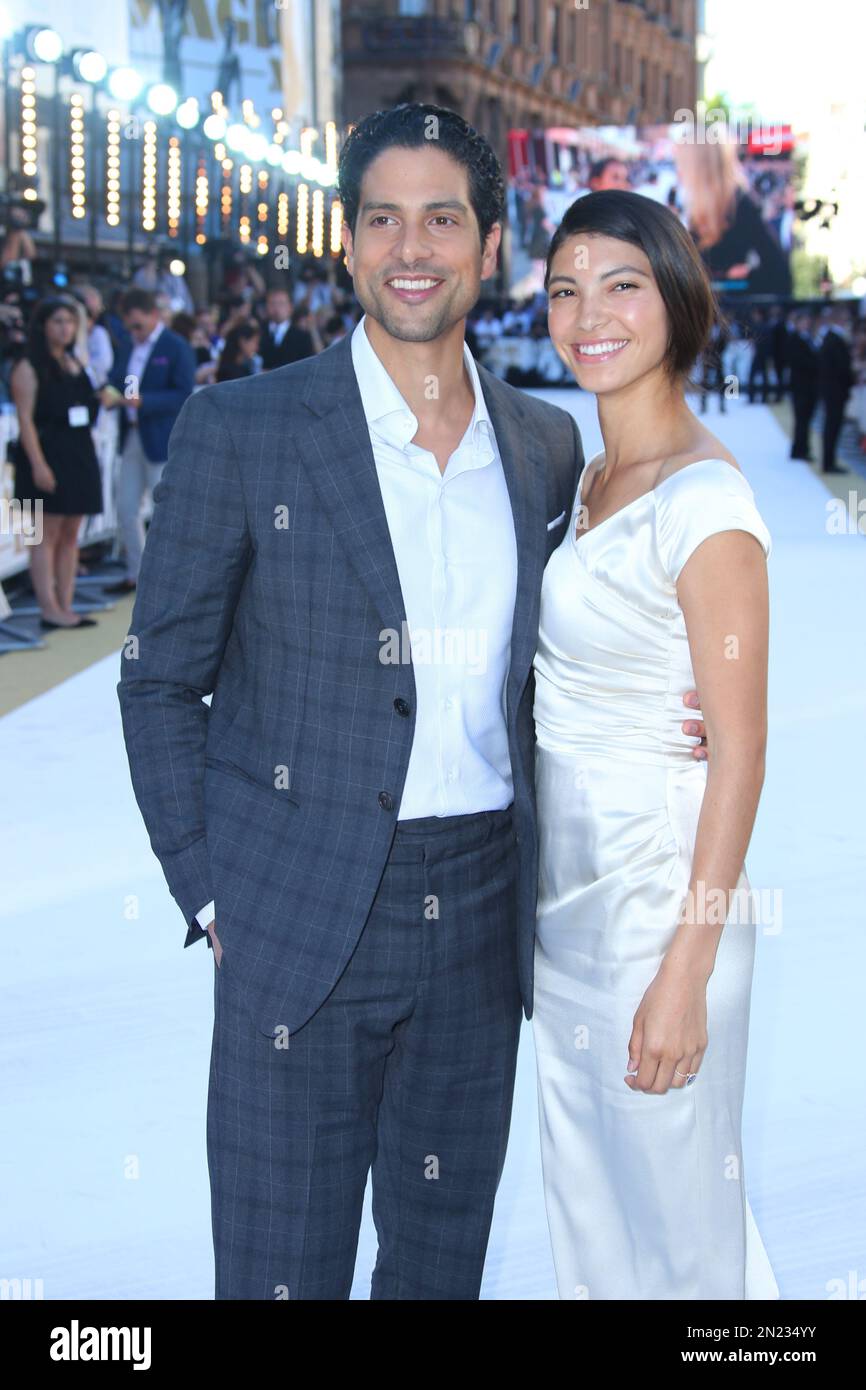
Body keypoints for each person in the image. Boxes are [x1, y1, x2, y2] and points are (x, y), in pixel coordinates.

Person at [116, 103, 711, 1301]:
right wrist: (215, 888)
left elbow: (570, 647)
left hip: (484, 920)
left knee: (438, 1275)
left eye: (443, 218)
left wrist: (662, 706)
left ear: (490, 246)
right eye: (382, 218)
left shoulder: (545, 446)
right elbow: (158, 680)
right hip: (296, 918)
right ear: (345, 242)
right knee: (281, 1274)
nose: (411, 248)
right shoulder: (245, 430)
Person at [533, 189, 779, 1300]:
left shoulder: (704, 502)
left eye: (621, 284)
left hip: (659, 910)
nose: (588, 313)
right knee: (589, 1213)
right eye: (564, 288)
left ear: (676, 302)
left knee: (685, 1240)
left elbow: (738, 750)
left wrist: (685, 969)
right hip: (560, 911)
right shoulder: (582, 480)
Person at [9, 297, 102, 628]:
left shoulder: (76, 363)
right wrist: (38, 464)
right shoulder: (27, 367)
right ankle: (49, 608)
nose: (66, 328)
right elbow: (26, 421)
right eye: (58, 321)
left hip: (77, 453)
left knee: (70, 535)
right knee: (43, 536)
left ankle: (66, 604)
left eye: (70, 322)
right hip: (44, 456)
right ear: (43, 326)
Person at [100, 288, 195, 594]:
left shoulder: (176, 346)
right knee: (126, 509)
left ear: (154, 315)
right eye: (130, 327)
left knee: (164, 512)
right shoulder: (129, 346)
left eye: (138, 325)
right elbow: (115, 378)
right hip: (132, 436)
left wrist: (145, 402)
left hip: (163, 438)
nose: (134, 332)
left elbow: (183, 393)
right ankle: (138, 574)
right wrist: (109, 393)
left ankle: (170, 577)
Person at [817, 305, 854, 475]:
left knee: (832, 426)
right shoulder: (834, 339)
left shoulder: (831, 338)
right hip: (834, 391)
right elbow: (840, 367)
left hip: (833, 390)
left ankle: (829, 461)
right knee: (832, 426)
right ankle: (828, 462)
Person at [787, 310, 819, 461]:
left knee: (805, 419)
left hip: (808, 385)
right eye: (803, 322)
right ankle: (799, 449)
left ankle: (802, 448)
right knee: (801, 419)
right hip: (801, 386)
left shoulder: (807, 338)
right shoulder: (795, 339)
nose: (806, 324)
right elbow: (798, 361)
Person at [258, 285, 315, 369]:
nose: (276, 308)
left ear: (290, 307)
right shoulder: (258, 332)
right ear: (267, 307)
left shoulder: (302, 337)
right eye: (272, 303)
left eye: (281, 304)